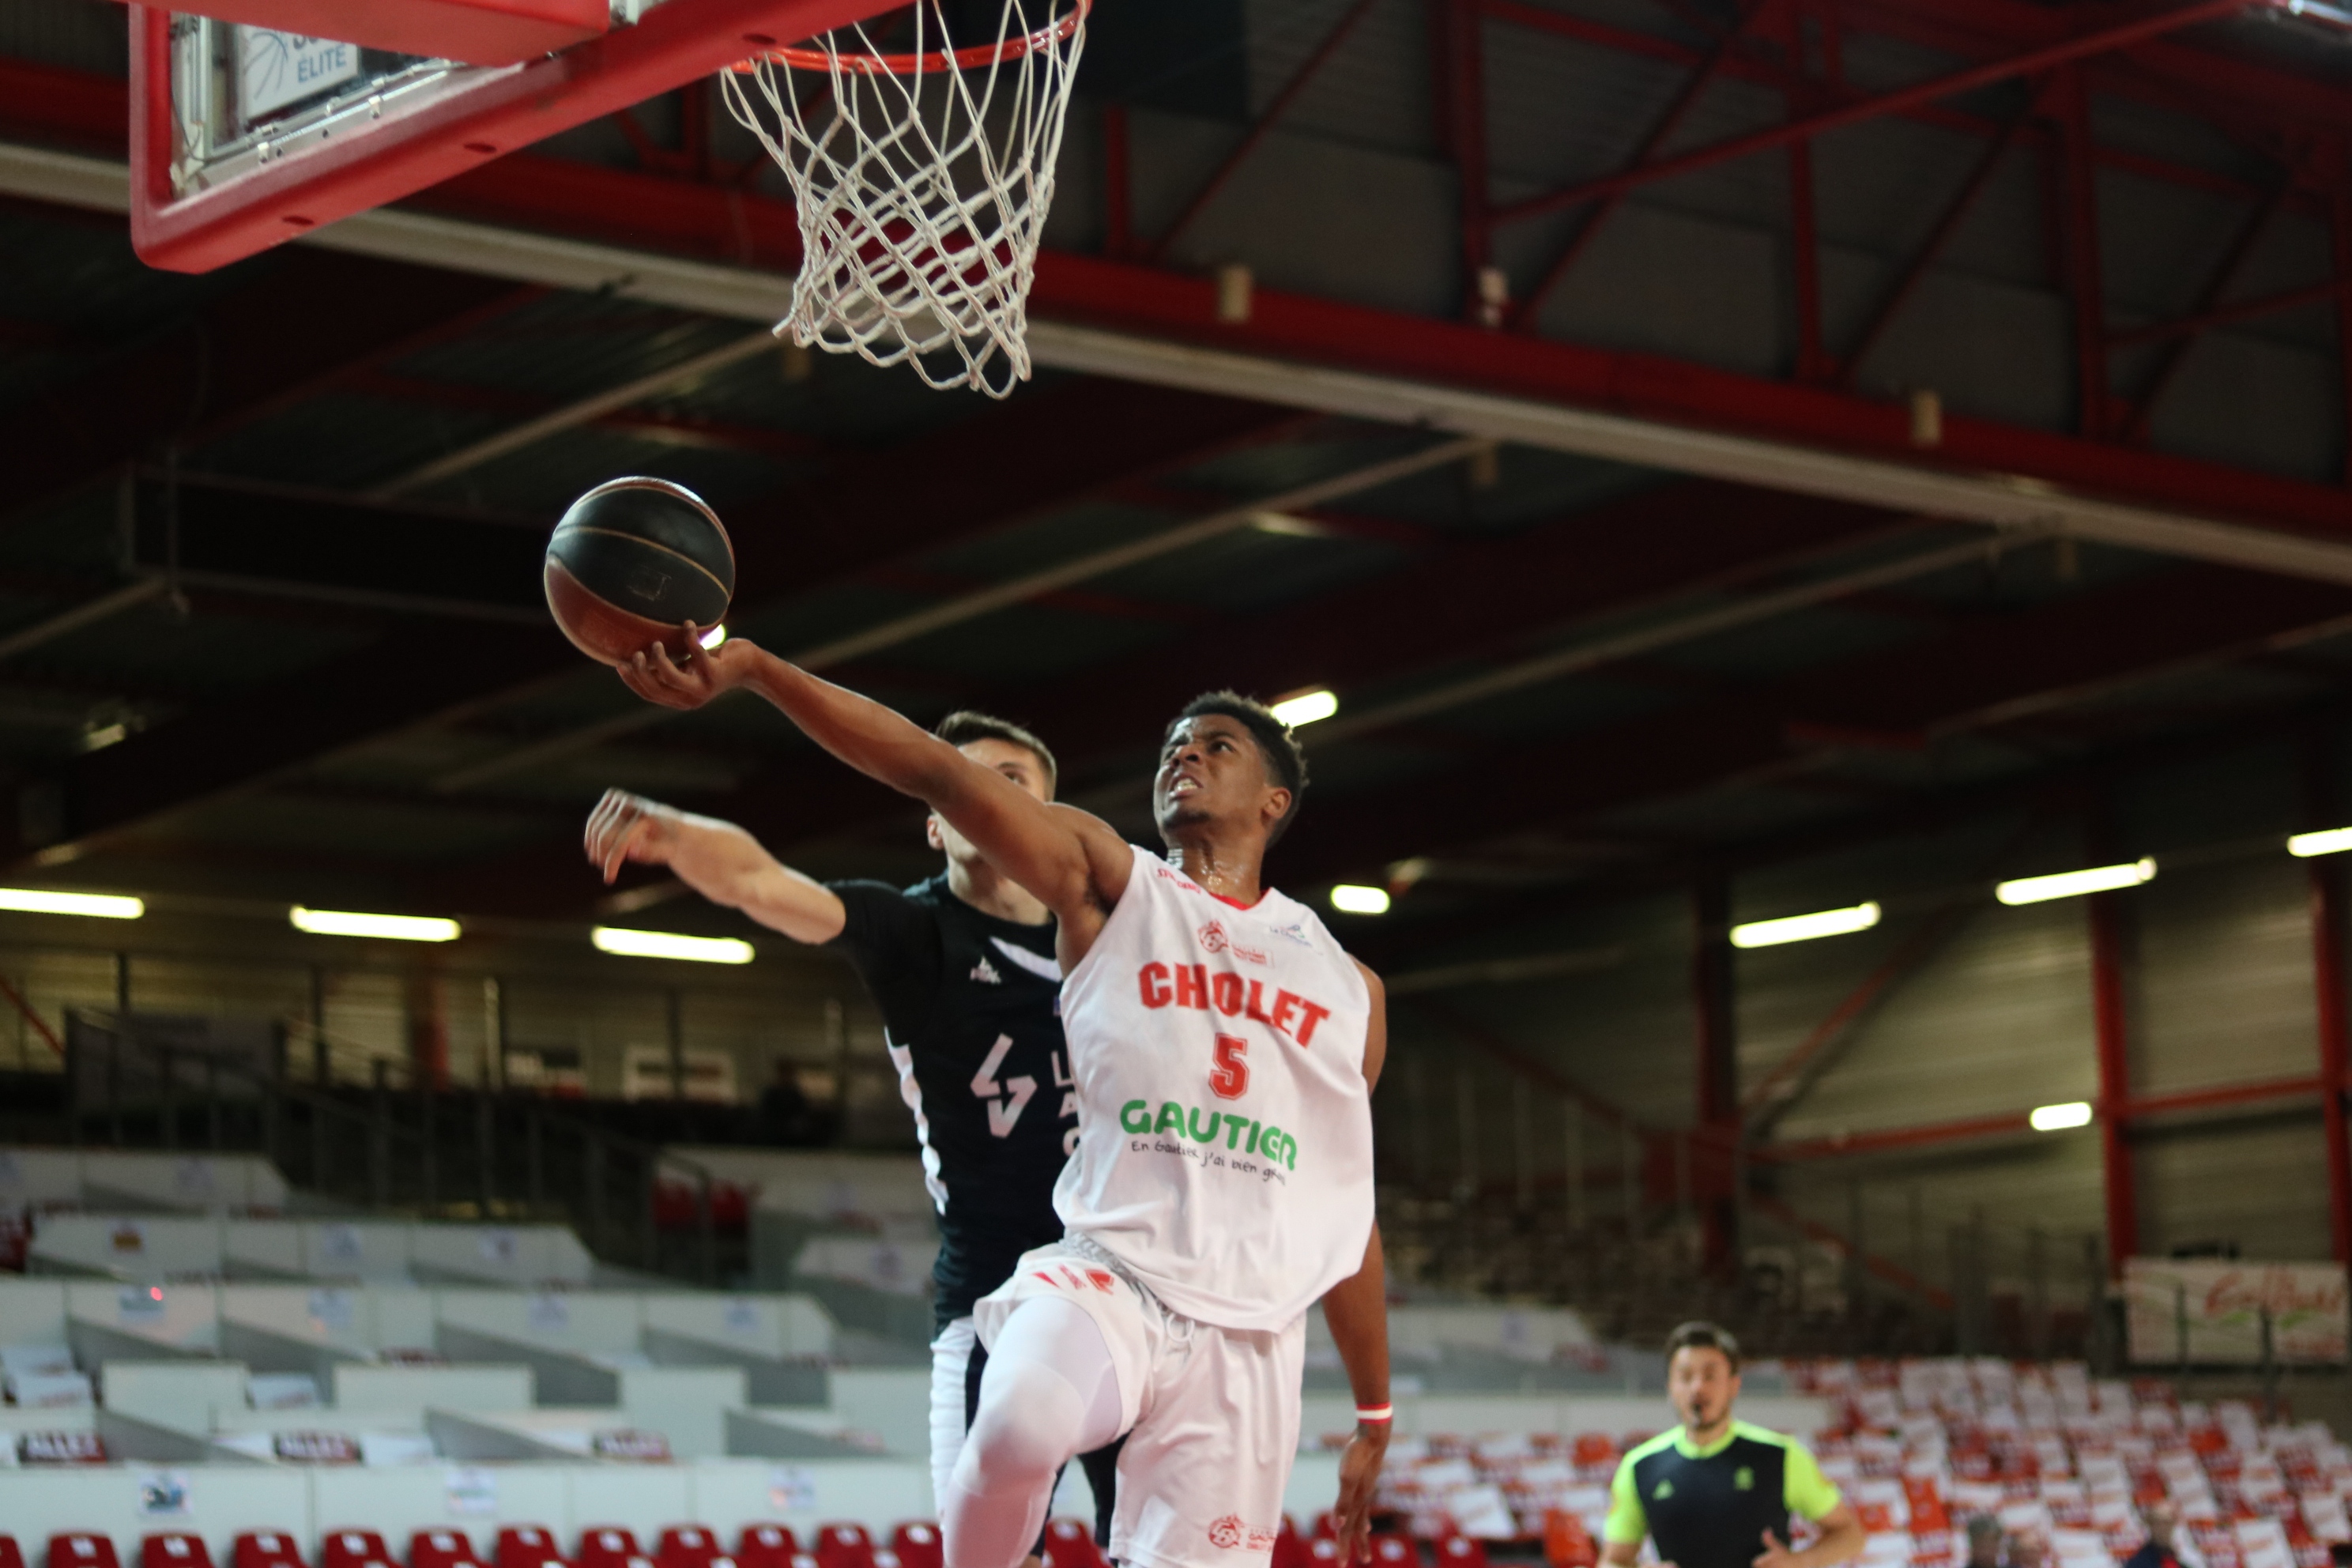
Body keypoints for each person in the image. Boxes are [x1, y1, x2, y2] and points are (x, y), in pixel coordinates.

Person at [607, 623, 1393, 1568]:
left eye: (1214, 743)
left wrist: (1374, 1407)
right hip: (1099, 1275)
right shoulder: (1109, 888)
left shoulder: (1346, 984)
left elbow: (1344, 1209)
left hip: (1242, 1334)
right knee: (1018, 1424)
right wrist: (756, 671)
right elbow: (930, 774)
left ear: (1275, 800)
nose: (1184, 751)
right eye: (1172, 743)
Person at [582, 710, 1118, 1560]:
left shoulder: (1125, 930)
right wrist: (676, 834)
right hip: (996, 1301)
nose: (985, 793)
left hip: (1133, 1290)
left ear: (1054, 817)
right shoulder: (912, 933)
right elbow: (764, 885)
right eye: (959, 781)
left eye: (1010, 781)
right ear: (935, 822)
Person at [1604, 1322, 1865, 1568]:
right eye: (1685, 1376)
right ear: (1670, 1387)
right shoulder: (1641, 1466)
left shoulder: (1780, 1455)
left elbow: (1850, 1534)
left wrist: (1801, 1562)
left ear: (1733, 1384)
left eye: (1710, 1375)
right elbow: (1611, 1560)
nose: (1698, 1387)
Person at [2120, 1502, 2180, 1568]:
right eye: (2158, 1524)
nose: (2163, 1528)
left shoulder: (2180, 1556)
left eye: (2167, 1523)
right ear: (2151, 1526)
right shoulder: (2140, 1561)